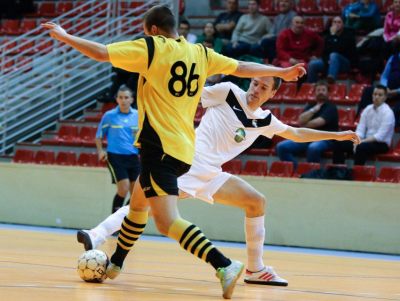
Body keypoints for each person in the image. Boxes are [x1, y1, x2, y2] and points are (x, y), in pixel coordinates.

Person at [42, 4, 306, 299]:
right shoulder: (201, 52)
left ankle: (224, 264)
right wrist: (281, 70)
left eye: (146, 32)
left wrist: (65, 36)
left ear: (153, 30)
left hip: (160, 146)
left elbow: (102, 53)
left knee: (167, 221)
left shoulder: (154, 47)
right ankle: (115, 263)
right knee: (139, 205)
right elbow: (242, 68)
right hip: (183, 148)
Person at [77, 76, 360, 286]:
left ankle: (255, 269)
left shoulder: (264, 120)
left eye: (263, 87)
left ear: (272, 93)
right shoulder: (228, 92)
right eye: (254, 82)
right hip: (187, 162)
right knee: (146, 207)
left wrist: (337, 136)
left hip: (212, 174)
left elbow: (296, 133)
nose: (255, 89)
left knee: (255, 202)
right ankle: (98, 234)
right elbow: (190, 97)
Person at [94, 85, 139, 213]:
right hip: (115, 156)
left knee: (137, 194)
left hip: (133, 157)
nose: (123, 100)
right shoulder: (110, 116)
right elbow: (98, 136)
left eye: (126, 97)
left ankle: (123, 218)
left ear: (131, 99)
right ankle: (114, 223)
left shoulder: (138, 115)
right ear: (116, 99)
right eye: (120, 97)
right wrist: (100, 151)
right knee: (123, 189)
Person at [276, 81, 339, 168]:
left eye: (323, 90)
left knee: (313, 148)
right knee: (281, 147)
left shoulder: (331, 107)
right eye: (318, 90)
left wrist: (304, 124)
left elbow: (318, 123)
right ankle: (297, 170)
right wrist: (314, 110)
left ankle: (312, 174)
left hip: (325, 138)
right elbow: (300, 120)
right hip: (307, 137)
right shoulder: (311, 106)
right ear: (315, 92)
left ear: (328, 93)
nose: (321, 92)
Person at [333, 85, 395, 165]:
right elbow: (360, 129)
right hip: (365, 141)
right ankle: (337, 172)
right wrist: (357, 140)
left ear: (385, 97)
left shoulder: (388, 113)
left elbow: (379, 136)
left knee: (361, 147)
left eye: (380, 95)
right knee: (339, 143)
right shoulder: (367, 109)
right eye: (375, 94)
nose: (376, 97)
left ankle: (356, 174)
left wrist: (361, 142)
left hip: (381, 144)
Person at [307, 16, 357, 83]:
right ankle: (311, 86)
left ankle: (331, 79)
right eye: (334, 22)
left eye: (339, 22)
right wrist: (328, 60)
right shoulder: (328, 35)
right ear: (332, 24)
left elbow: (340, 50)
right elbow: (324, 52)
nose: (336, 24)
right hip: (329, 62)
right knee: (312, 64)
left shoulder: (349, 35)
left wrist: (333, 35)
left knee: (334, 55)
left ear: (343, 24)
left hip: (345, 63)